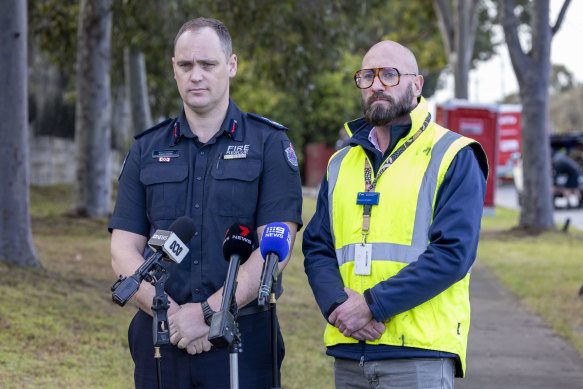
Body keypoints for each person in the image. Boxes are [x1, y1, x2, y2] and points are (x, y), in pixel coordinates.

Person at [109, 17, 302, 388]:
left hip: (242, 339)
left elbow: (276, 248)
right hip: (161, 337)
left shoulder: (269, 144)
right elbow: (123, 250)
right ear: (174, 69)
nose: (196, 75)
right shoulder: (146, 149)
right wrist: (172, 315)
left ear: (231, 66)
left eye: (207, 64)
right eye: (186, 65)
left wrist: (209, 312)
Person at [303, 40, 488, 389]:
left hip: (418, 354)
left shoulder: (454, 154)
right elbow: (317, 248)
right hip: (350, 351)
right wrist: (338, 306)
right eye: (367, 76)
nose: (376, 85)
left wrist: (371, 305)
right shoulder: (341, 163)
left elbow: (453, 254)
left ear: (417, 85)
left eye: (389, 75)